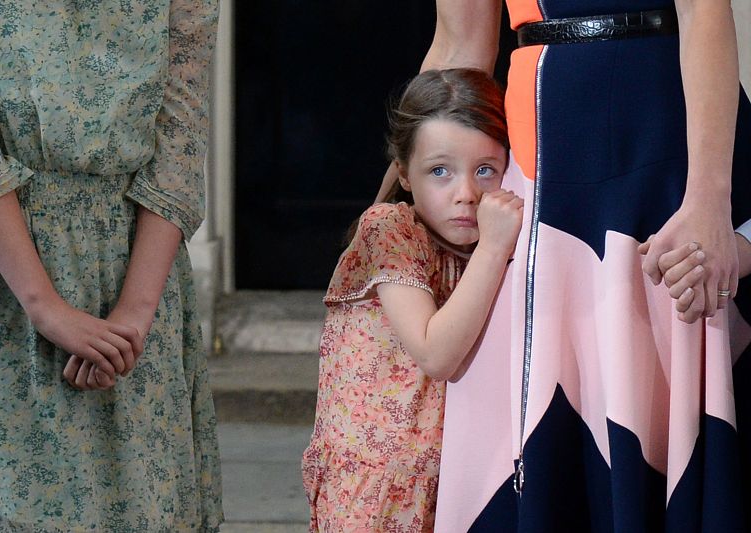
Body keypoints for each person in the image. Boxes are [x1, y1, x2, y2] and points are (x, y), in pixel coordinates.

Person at [370, 0, 751, 531]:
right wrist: (392, 204)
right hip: (540, 154)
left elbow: (704, 10)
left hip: (671, 140)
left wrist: (709, 200)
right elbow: (461, 46)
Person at [0, 0, 223, 530]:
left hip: (138, 267)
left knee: (152, 507)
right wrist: (44, 306)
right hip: (7, 276)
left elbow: (181, 137)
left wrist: (134, 314)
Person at [301, 68, 523, 532]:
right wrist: (494, 248)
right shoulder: (389, 229)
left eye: (485, 170)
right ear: (404, 173)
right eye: (439, 171)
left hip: (460, 482)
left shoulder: (497, 244)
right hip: (379, 490)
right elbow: (435, 353)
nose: (465, 194)